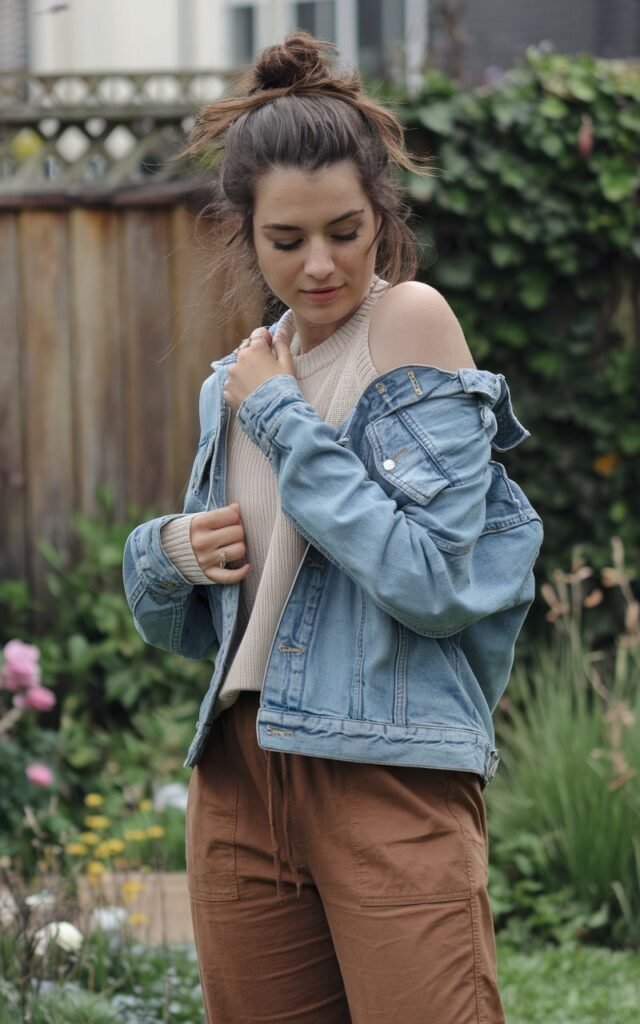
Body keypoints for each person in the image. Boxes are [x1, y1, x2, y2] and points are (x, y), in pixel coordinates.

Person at [123, 30, 542, 1024]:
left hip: (386, 764)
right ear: (243, 233)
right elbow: (196, 626)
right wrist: (168, 552)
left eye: (345, 231)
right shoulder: (233, 380)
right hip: (238, 775)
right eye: (287, 240)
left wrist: (279, 417)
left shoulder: (410, 324)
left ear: (380, 217)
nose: (320, 265)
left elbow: (433, 580)